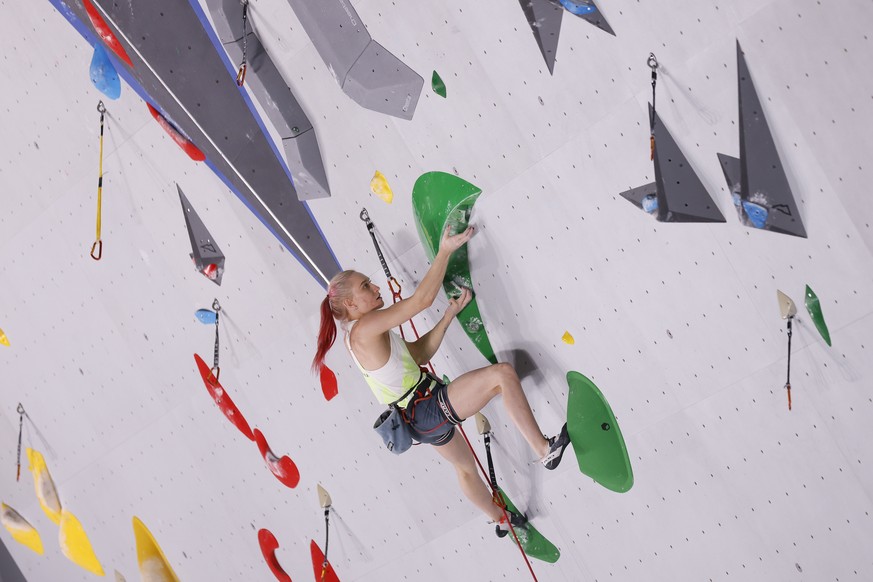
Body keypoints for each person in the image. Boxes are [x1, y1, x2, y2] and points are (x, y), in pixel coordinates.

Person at [312, 224, 570, 534]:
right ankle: (545, 451)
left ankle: (499, 520)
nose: (376, 288)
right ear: (351, 305)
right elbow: (420, 301)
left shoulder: (363, 335)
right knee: (502, 375)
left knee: (464, 468)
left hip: (418, 417)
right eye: (366, 286)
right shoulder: (364, 329)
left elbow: (418, 355)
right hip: (426, 407)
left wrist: (448, 315)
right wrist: (445, 250)